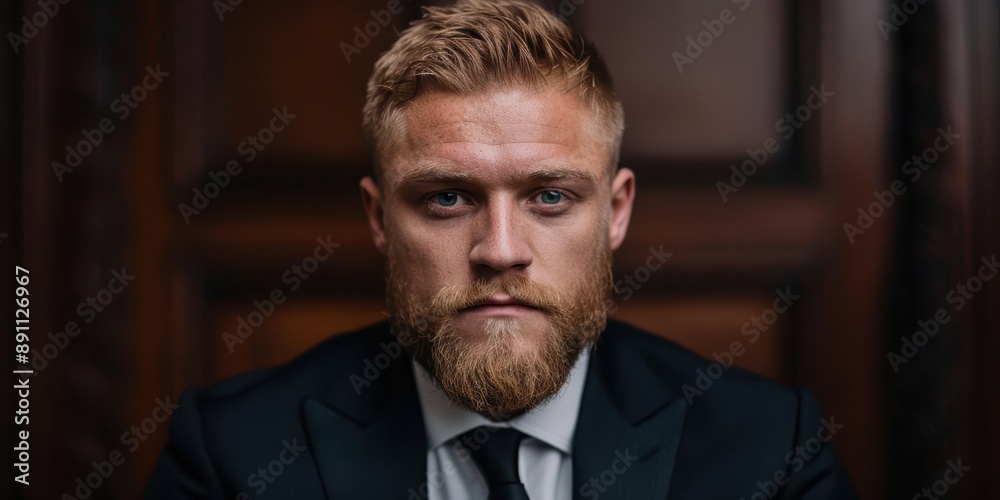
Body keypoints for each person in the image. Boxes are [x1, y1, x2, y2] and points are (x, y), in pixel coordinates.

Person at [145, 1, 858, 498]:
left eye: (550, 197)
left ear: (615, 212)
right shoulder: (232, 453)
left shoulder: (770, 453)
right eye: (447, 199)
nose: (500, 251)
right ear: (379, 218)